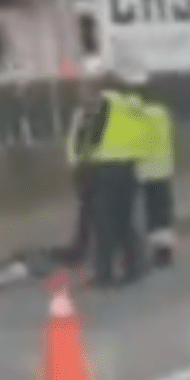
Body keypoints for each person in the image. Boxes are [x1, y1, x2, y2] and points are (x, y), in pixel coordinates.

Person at [77, 64, 150, 286]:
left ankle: (104, 273)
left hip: (105, 171)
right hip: (129, 170)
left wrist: (83, 167)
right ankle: (136, 266)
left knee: (103, 224)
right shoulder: (134, 106)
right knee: (124, 221)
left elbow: (92, 139)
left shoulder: (101, 106)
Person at [63, 56, 105, 268]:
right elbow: (73, 139)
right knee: (87, 209)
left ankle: (96, 248)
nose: (87, 89)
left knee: (100, 209)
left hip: (100, 167)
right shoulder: (82, 112)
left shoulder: (106, 110)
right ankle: (84, 246)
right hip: (85, 168)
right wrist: (74, 163)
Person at [133, 77, 177, 267]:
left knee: (152, 214)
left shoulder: (140, 116)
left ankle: (156, 254)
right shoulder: (162, 113)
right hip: (164, 169)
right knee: (163, 214)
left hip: (147, 172)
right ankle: (165, 252)